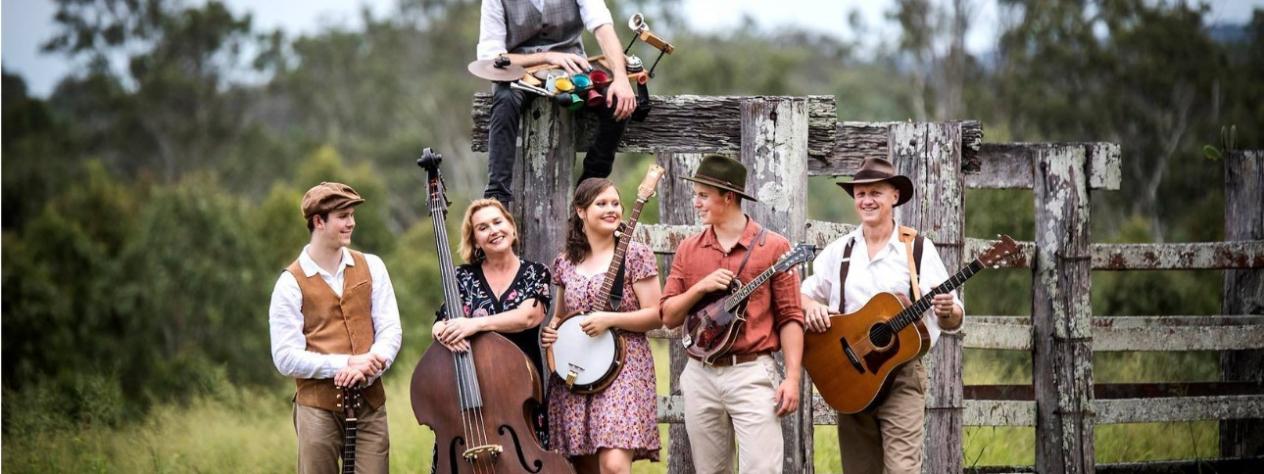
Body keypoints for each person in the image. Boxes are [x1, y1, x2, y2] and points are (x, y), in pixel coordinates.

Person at [799, 157, 964, 474]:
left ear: (894, 197)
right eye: (860, 194)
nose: (866, 200)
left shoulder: (916, 249)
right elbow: (804, 294)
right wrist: (812, 306)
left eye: (875, 192)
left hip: (901, 374)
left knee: (903, 470)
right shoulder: (841, 251)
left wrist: (948, 311)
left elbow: (952, 318)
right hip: (851, 373)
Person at [659, 155, 805, 474]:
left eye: (703, 195)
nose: (696, 203)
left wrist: (792, 378)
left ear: (728, 197)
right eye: (695, 194)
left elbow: (791, 317)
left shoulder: (774, 248)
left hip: (752, 373)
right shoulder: (689, 248)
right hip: (700, 373)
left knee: (761, 470)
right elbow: (668, 316)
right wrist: (700, 288)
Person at [269, 182, 402, 474]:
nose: (351, 222)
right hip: (317, 408)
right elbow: (285, 357)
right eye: (343, 215)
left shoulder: (373, 266)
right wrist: (345, 364)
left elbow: (391, 330)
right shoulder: (290, 283)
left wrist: (368, 365)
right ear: (319, 221)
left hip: (370, 404)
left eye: (352, 214)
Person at [540, 178, 662, 473]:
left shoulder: (635, 255)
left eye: (615, 203)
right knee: (584, 467)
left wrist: (611, 319)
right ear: (581, 211)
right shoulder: (566, 263)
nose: (612, 210)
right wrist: (552, 333)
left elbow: (657, 314)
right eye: (601, 203)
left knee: (614, 466)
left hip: (624, 367)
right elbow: (561, 317)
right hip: (576, 371)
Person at [477, 0, 638, 204]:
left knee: (616, 102)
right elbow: (490, 56)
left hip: (572, 67)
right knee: (504, 99)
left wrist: (621, 78)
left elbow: (603, 26)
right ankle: (496, 199)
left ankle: (588, 194)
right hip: (519, 72)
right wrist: (549, 57)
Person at [431, 199, 553, 442]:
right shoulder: (463, 276)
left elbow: (527, 317)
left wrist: (476, 324)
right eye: (483, 227)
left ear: (512, 227)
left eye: (498, 222)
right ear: (475, 240)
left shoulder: (536, 272)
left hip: (523, 396)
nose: (493, 230)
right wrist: (440, 332)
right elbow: (441, 321)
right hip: (474, 393)